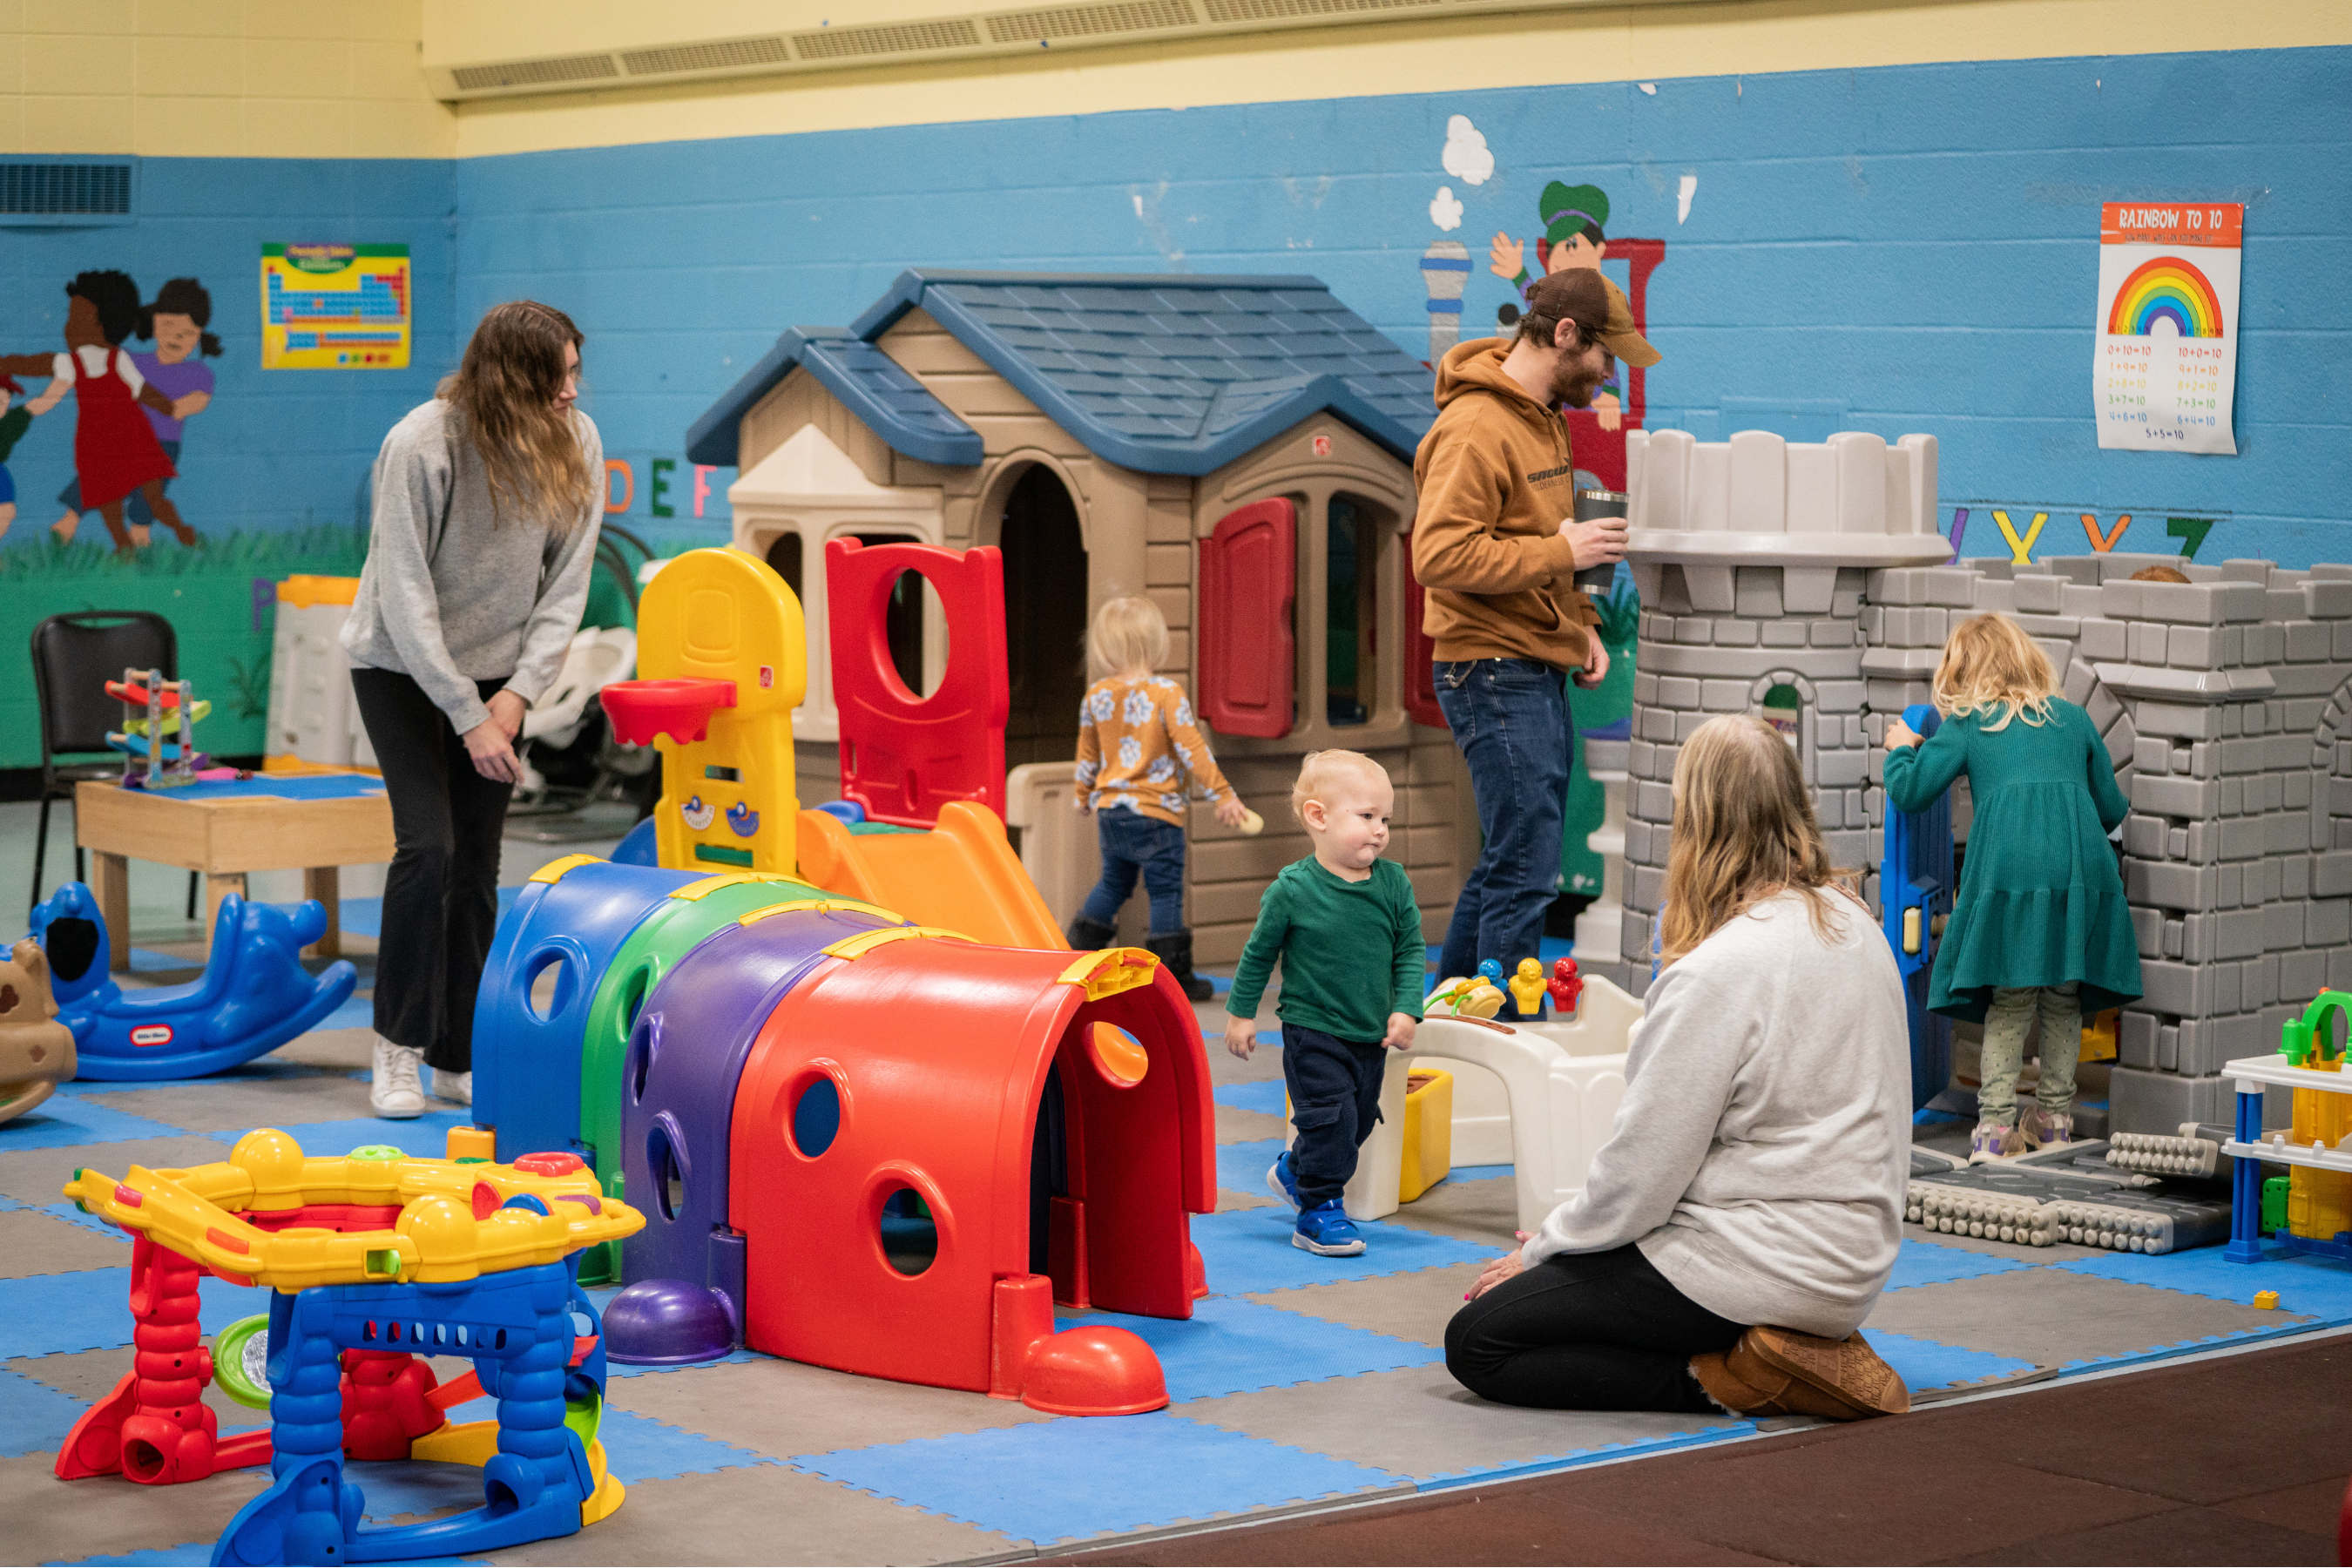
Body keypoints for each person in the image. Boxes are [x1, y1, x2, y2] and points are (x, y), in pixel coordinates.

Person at [1445, 715, 1912, 1420]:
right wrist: (1578, 1241)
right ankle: (1791, 1349)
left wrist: (1550, 1244)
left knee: (1480, 1340)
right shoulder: (1856, 925)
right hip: (1854, 1265)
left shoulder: (1721, 969)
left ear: (1695, 819)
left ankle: (1734, 1378)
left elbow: (1644, 1173)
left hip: (1753, 1268)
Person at [345, 301, 605, 1119]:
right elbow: (403, 592)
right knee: (428, 848)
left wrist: (519, 695)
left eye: (574, 370)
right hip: (399, 667)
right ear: (514, 376)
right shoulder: (422, 440)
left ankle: (458, 1053)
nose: (572, 390)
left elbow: (565, 585)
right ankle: (396, 1050)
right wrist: (468, 716)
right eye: (559, 373)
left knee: (478, 870)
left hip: (500, 679)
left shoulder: (578, 441)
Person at [1412, 267, 1652, 1017]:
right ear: (1565, 335)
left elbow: (1531, 536)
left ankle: (1450, 1014)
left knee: (1511, 855)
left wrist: (1577, 629)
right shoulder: (1477, 428)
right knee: (1527, 867)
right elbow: (1440, 556)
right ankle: (1505, 1027)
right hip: (1488, 668)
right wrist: (1564, 553)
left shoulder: (1544, 412)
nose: (1610, 375)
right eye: (1605, 356)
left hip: (1529, 660)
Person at [1883, 613, 2141, 1161]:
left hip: (2007, 874)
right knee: (2062, 999)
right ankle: (2053, 1121)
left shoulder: (1970, 724)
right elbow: (2112, 809)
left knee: (2010, 999)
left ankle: (1996, 1129)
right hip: (2078, 875)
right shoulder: (2072, 720)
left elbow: (1911, 790)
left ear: (1962, 672)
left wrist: (1904, 745)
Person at [1224, 751, 1425, 1258]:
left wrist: (1406, 1007)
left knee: (1357, 1122)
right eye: (1366, 817)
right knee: (1330, 1122)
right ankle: (1318, 1209)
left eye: (1385, 819)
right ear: (1319, 817)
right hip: (1312, 1030)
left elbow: (1410, 949)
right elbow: (1258, 955)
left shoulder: (1394, 883)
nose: (1379, 830)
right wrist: (1241, 1014)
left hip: (1369, 1034)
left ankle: (1295, 1169)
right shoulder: (1293, 889)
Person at [1065, 595, 1248, 1000]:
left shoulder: (1096, 695)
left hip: (1111, 811)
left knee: (1114, 882)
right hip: (1157, 814)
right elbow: (1192, 749)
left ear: (1105, 648)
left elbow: (1087, 754)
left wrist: (1083, 794)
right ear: (1156, 643)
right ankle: (1172, 976)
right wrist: (1222, 794)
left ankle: (1075, 954)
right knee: (1165, 892)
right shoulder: (1166, 693)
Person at [0, 271, 198, 554]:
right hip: (98, 446)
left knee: (151, 496)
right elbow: (34, 363)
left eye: (77, 318)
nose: (69, 328)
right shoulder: (75, 363)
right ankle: (124, 547)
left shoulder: (118, 360)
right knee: (109, 503)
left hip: (132, 441)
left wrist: (170, 407)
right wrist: (5, 364)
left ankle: (180, 530)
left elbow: (143, 390)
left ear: (104, 322)